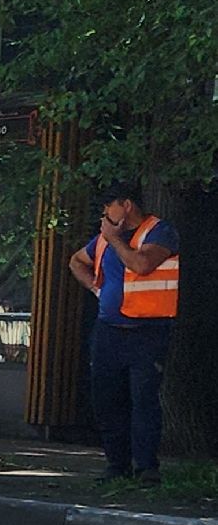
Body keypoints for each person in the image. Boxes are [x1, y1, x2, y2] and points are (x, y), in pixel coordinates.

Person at [68, 182, 180, 484]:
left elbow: (141, 264)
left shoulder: (158, 231)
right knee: (107, 400)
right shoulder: (104, 241)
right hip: (108, 331)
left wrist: (115, 240)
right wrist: (95, 287)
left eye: (110, 207)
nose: (105, 214)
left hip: (147, 331)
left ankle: (146, 468)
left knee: (143, 399)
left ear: (126, 205)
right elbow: (76, 261)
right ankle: (116, 465)